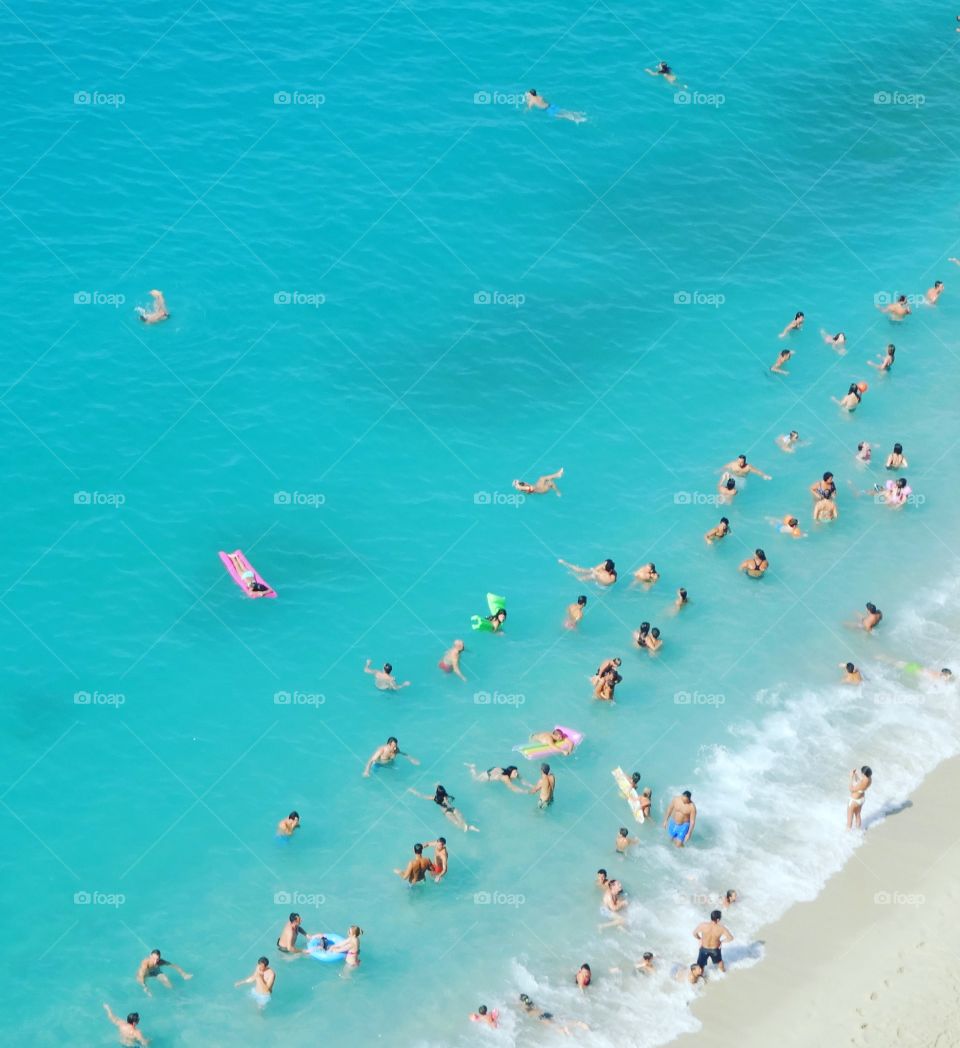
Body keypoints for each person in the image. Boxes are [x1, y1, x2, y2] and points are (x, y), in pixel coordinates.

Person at [408, 784, 479, 832]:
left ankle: (467, 827)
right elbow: (449, 800)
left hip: (446, 811)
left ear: (437, 792)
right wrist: (436, 784)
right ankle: (468, 826)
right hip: (453, 808)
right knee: (461, 817)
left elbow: (422, 796)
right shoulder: (446, 795)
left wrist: (413, 791)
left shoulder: (434, 797)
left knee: (456, 823)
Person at [518, 993, 589, 1032]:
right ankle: (578, 1023)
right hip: (546, 1013)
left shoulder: (525, 1008)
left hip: (541, 1017)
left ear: (522, 1002)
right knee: (561, 1021)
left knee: (557, 1028)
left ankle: (565, 1031)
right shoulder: (533, 1004)